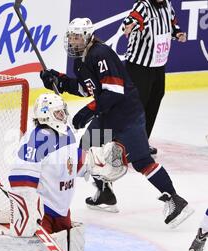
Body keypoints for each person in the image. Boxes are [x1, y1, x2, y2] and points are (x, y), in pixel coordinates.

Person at [40, 17, 193, 228]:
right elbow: (87, 89)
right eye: (71, 37)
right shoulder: (81, 60)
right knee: (86, 149)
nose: (73, 41)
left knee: (142, 162)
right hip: (107, 117)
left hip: (127, 116)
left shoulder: (100, 54)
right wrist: (60, 81)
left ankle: (176, 200)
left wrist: (88, 110)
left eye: (76, 37)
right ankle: (104, 193)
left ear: (86, 37)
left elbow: (114, 92)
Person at [0, 93, 128, 251]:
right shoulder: (37, 140)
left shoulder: (67, 132)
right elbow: (21, 179)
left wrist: (94, 163)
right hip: (43, 210)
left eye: (63, 111)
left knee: (71, 244)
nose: (63, 116)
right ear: (45, 115)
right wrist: (29, 210)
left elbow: (71, 163)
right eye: (58, 113)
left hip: (62, 208)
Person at [123, 0, 187, 155]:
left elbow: (172, 24)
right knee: (137, 105)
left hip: (158, 64)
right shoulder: (143, 5)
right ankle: (126, 145)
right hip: (139, 66)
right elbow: (131, 19)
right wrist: (129, 26)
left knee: (154, 99)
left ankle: (141, 142)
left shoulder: (167, 5)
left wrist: (177, 33)